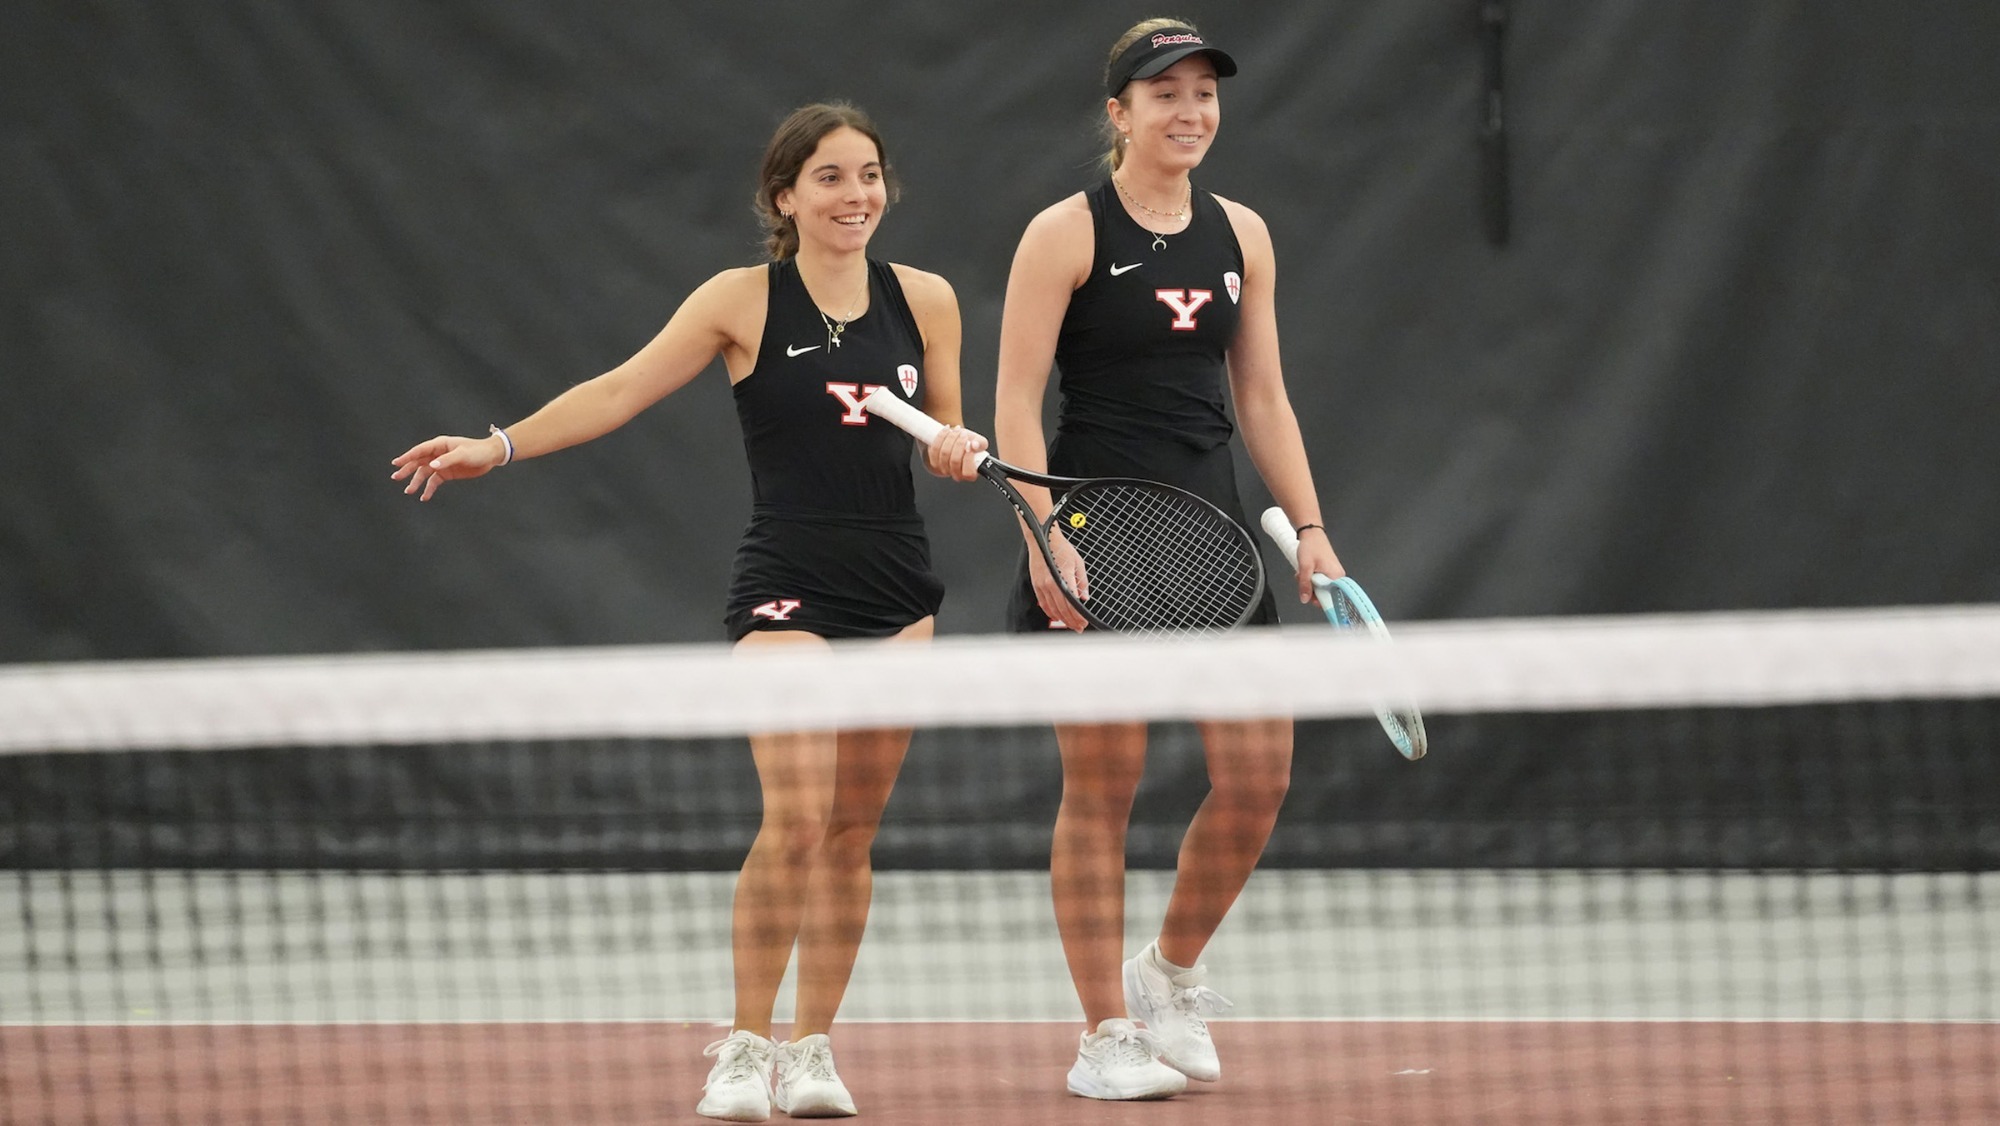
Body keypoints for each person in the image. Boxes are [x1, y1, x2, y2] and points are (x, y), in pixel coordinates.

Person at [392, 102, 986, 1122]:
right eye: (832, 177)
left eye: (870, 175)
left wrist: (957, 445)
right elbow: (619, 390)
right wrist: (497, 445)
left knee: (851, 831)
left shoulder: (925, 298)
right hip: (786, 582)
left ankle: (812, 1049)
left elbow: (950, 425)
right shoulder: (739, 300)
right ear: (785, 195)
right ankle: (745, 1048)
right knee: (795, 819)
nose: (857, 196)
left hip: (897, 586)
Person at [990, 20, 1344, 1101]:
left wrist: (1311, 525)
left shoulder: (1242, 233)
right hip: (1094, 534)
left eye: (1202, 94)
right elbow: (1012, 400)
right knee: (1103, 787)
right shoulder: (1062, 232)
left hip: (1216, 542)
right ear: (1118, 114)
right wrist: (1042, 538)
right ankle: (1102, 1031)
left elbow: (1262, 395)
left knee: (1258, 776)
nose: (1187, 113)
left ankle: (1166, 971)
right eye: (1162, 95)